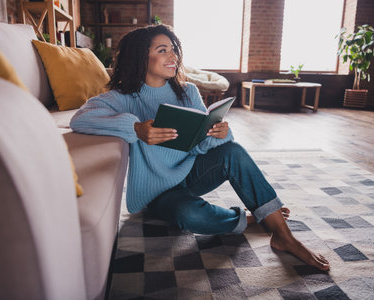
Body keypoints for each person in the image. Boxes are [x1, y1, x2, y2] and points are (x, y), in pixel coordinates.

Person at [70, 25, 330, 271]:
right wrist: (136, 128)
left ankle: (284, 236)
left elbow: (201, 144)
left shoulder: (188, 92)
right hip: (158, 193)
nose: (173, 56)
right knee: (189, 215)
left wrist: (219, 133)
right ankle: (248, 219)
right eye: (162, 50)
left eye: (173, 49)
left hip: (192, 174)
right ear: (141, 58)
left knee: (234, 151)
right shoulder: (122, 98)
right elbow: (80, 118)